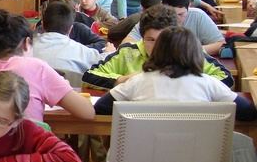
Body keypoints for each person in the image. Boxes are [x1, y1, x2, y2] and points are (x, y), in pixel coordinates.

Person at [94, 26, 256, 121]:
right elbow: (249, 113)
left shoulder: (137, 82)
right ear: (195, 52)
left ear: (158, 50)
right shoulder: (209, 83)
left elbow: (101, 107)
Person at [83, 5, 232, 90]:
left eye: (163, 40)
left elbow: (226, 78)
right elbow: (90, 76)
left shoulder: (188, 53)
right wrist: (124, 79)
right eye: (150, 40)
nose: (157, 46)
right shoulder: (127, 52)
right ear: (142, 37)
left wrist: (189, 81)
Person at [123, 0, 225, 56]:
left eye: (181, 14)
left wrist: (189, 51)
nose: (175, 19)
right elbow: (125, 45)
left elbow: (219, 44)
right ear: (162, 5)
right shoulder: (152, 17)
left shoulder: (198, 16)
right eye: (170, 13)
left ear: (189, 6)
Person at [32, 2, 111, 77]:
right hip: (72, 90)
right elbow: (103, 63)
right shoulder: (81, 51)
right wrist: (109, 52)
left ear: (42, 25)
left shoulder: (27, 48)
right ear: (70, 29)